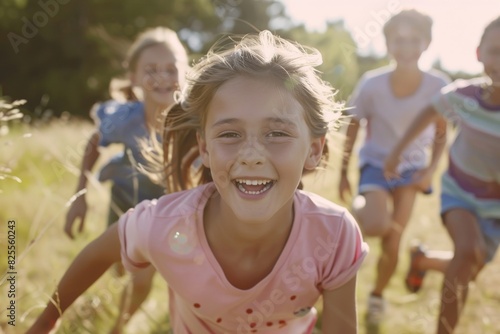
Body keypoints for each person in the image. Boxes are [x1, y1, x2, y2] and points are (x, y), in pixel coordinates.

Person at [26, 30, 368, 334]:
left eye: (277, 133)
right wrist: (44, 323)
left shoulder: (334, 234)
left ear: (313, 150)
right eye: (230, 134)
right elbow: (96, 255)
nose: (251, 155)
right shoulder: (163, 224)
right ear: (204, 147)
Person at [63, 26, 189, 333]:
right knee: (120, 267)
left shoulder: (192, 121)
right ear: (133, 77)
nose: (162, 77)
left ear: (185, 73)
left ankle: (118, 326)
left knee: (142, 277)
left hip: (166, 210)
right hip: (123, 201)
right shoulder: (126, 118)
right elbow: (95, 142)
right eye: (151, 70)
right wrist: (80, 196)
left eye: (171, 69)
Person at [384, 16, 500, 334]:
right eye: (495, 51)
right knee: (468, 253)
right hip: (460, 193)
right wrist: (397, 152)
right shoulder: (466, 98)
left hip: (496, 210)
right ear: (479, 53)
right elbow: (430, 111)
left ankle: (422, 261)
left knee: (469, 267)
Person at [337, 9, 450, 324]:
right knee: (375, 224)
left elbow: (442, 132)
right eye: (398, 40)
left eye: (414, 39)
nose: (406, 46)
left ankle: (376, 297)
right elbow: (354, 124)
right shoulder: (372, 84)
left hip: (412, 172)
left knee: (394, 241)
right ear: (388, 44)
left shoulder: (438, 84)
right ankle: (350, 221)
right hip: (375, 165)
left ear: (426, 43)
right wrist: (344, 172)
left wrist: (430, 170)